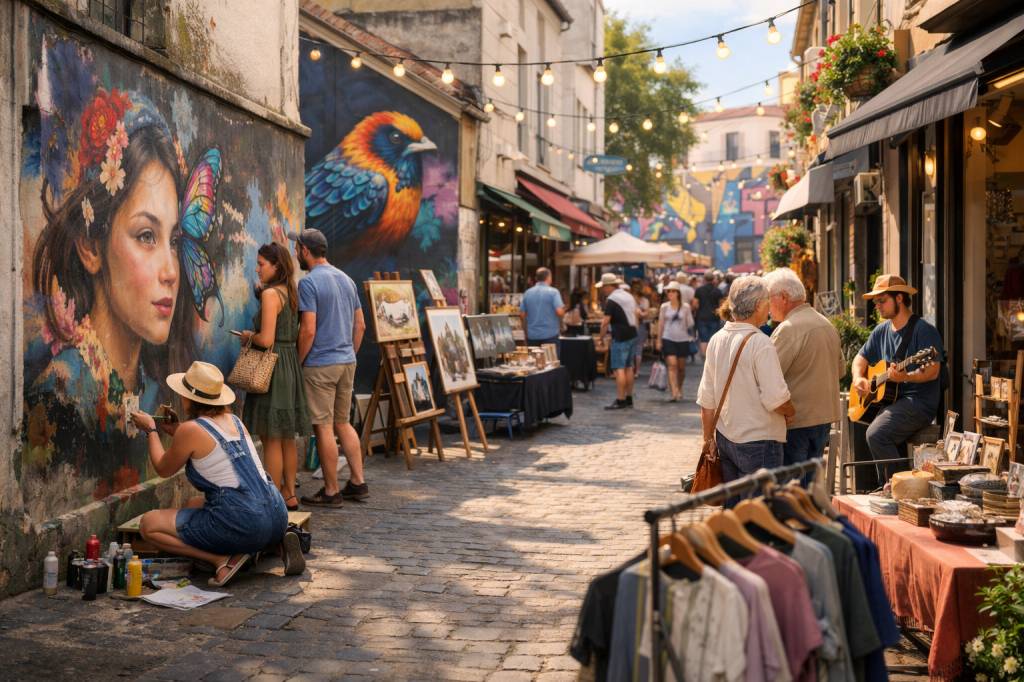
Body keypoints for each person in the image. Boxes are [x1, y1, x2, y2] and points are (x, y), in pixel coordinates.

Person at [27, 90, 196, 501]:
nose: (171, 271)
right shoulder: (60, 400)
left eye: (173, 240)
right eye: (145, 236)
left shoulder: (158, 389)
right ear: (90, 247)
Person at [130, 361, 303, 587]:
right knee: (193, 503)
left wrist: (151, 430)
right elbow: (209, 446)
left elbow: (163, 468)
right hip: (277, 512)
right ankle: (273, 544)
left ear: (189, 398)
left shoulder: (190, 430)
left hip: (244, 519)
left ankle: (222, 560)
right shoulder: (234, 420)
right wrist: (178, 431)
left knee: (149, 524)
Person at [291, 229, 369, 507]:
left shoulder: (309, 283)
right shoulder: (346, 279)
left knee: (323, 427)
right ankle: (358, 483)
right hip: (347, 361)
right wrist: (349, 353)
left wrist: (298, 364)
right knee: (343, 422)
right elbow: (359, 325)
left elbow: (308, 330)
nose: (295, 253)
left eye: (296, 248)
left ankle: (331, 490)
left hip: (320, 365)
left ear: (304, 250)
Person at [697, 277, 795, 488]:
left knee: (735, 512)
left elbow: (707, 401)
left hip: (726, 438)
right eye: (767, 301)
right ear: (759, 305)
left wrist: (708, 439)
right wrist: (790, 413)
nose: (769, 306)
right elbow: (776, 399)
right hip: (759, 441)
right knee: (759, 511)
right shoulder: (761, 343)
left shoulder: (716, 339)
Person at [852, 274, 944, 483]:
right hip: (893, 402)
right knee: (861, 423)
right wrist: (859, 378)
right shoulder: (881, 331)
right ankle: (888, 484)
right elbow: (859, 358)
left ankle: (899, 487)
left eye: (882, 300)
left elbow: (933, 371)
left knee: (877, 434)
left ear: (900, 298)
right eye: (876, 302)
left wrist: (906, 377)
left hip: (918, 403)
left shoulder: (924, 331)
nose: (877, 306)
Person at [239, 243, 311, 511]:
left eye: (261, 264)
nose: (257, 269)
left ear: (276, 266)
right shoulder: (290, 291)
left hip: (272, 367)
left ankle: (274, 498)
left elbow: (266, 338)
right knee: (286, 437)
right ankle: (289, 493)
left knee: (271, 436)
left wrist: (248, 337)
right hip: (289, 364)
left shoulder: (271, 295)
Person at [765, 268, 844, 466]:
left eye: (769, 298)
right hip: (822, 418)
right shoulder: (825, 323)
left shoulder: (789, 328)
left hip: (796, 421)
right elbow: (841, 370)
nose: (767, 306)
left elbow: (768, 376)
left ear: (783, 297)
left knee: (793, 487)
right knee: (807, 485)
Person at [600, 273, 638, 410]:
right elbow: (635, 315)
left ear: (609, 286)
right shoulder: (628, 295)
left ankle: (620, 399)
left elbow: (605, 322)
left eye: (604, 287)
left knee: (619, 369)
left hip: (620, 336)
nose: (603, 290)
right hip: (632, 333)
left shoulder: (612, 299)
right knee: (629, 367)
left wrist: (600, 337)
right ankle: (629, 398)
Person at [656, 281, 695, 402]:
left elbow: (690, 323)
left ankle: (679, 387)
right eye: (668, 291)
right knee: (672, 365)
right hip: (668, 338)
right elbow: (661, 324)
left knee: (681, 368)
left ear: (678, 293)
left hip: (683, 339)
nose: (670, 293)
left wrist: (690, 328)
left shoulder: (686, 307)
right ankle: (674, 392)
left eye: (673, 291)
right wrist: (658, 340)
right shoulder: (664, 307)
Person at [520, 267, 566, 348]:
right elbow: (559, 312)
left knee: (534, 360)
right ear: (548, 277)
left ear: (536, 278)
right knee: (551, 360)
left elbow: (522, 315)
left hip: (532, 336)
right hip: (550, 335)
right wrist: (563, 310)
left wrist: (526, 332)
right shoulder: (553, 292)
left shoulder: (527, 293)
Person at [694, 272, 724, 356]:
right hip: (714, 317)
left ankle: (705, 358)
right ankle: (712, 356)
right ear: (713, 279)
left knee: (703, 339)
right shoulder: (717, 290)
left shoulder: (699, 290)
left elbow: (695, 304)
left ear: (704, 279)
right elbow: (721, 304)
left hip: (701, 317)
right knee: (713, 338)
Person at [631, 280, 651, 375]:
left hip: (633, 326)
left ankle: (632, 369)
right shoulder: (645, 301)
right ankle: (637, 370)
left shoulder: (630, 299)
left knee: (633, 347)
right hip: (641, 326)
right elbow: (647, 313)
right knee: (638, 348)